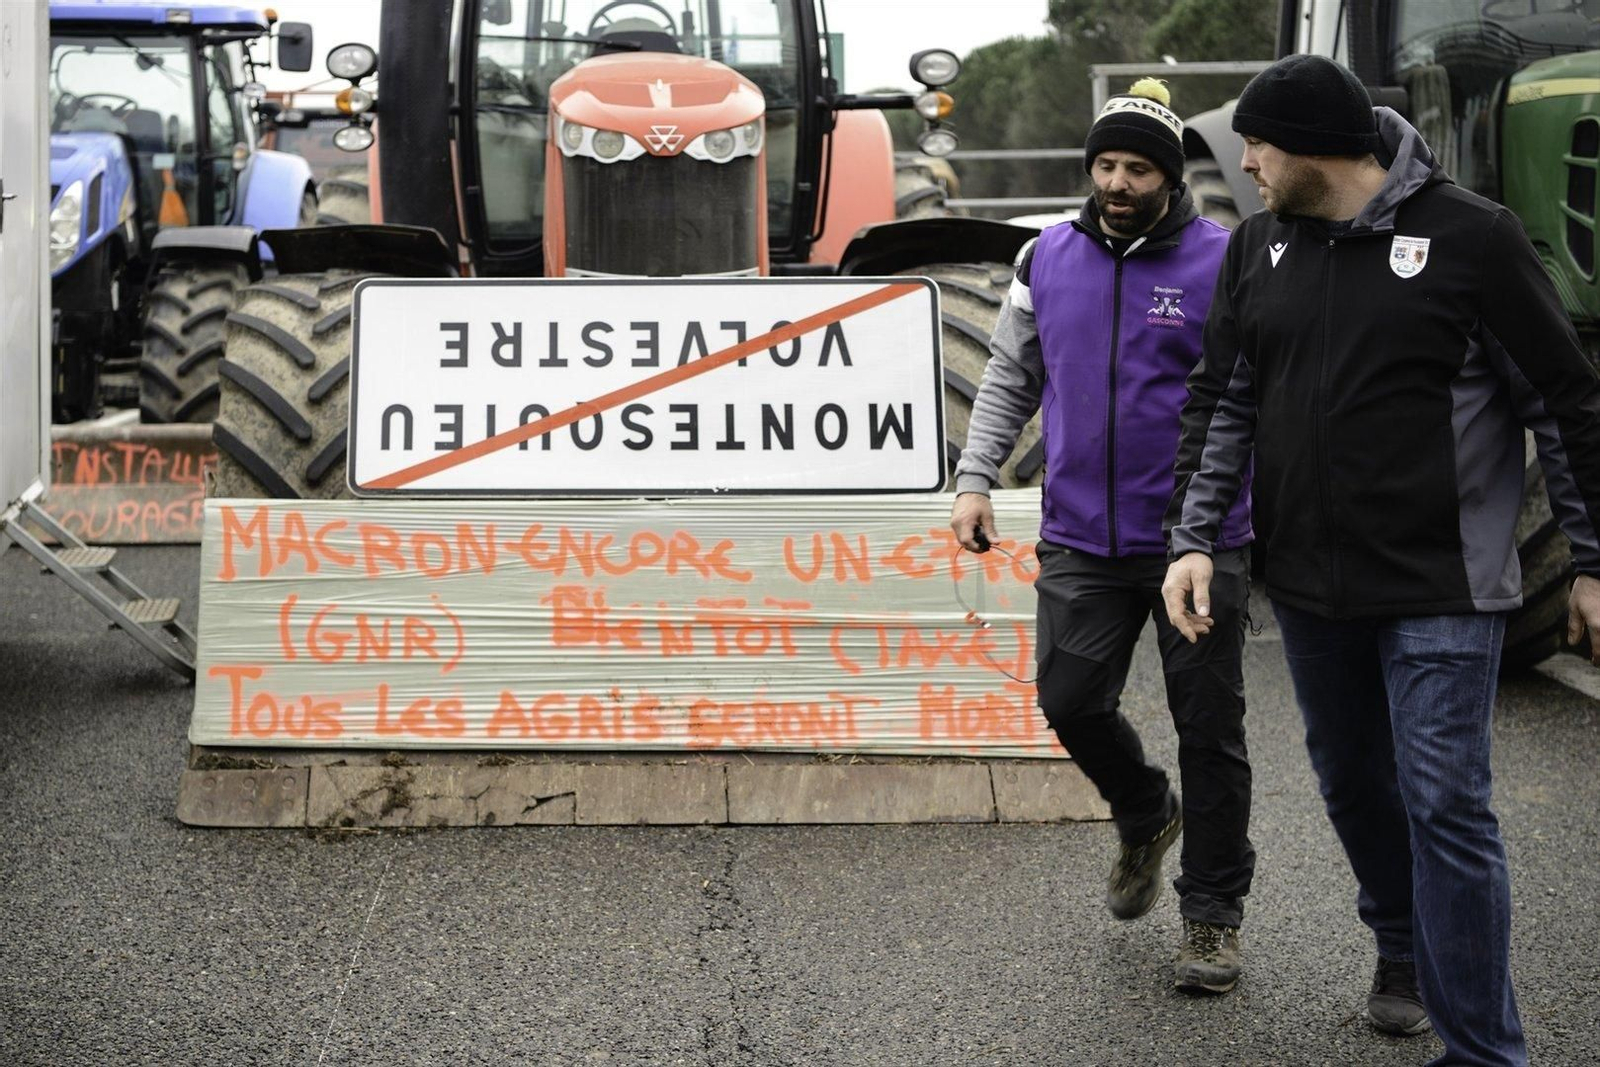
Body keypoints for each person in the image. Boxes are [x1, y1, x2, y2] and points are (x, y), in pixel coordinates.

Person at [1162, 54, 1600, 1066]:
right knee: (1354, 785)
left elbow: (1563, 401)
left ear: (1312, 144)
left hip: (1442, 583)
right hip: (1311, 587)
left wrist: (1590, 557)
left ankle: (1483, 1049)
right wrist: (1191, 538)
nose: (1247, 166)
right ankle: (1401, 947)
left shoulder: (1471, 238)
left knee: (1445, 800)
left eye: (1256, 147)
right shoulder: (1258, 247)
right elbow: (1222, 400)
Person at [950, 79, 1256, 993]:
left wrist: (1229, 514)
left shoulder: (1222, 261)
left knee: (1210, 729)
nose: (1117, 181)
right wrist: (974, 480)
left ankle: (1211, 920)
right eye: (1106, 163)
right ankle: (1141, 809)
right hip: (1081, 533)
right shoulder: (1046, 257)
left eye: (1137, 167)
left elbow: (1250, 400)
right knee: (1069, 699)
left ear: (1168, 175)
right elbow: (1010, 374)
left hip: (1195, 540)